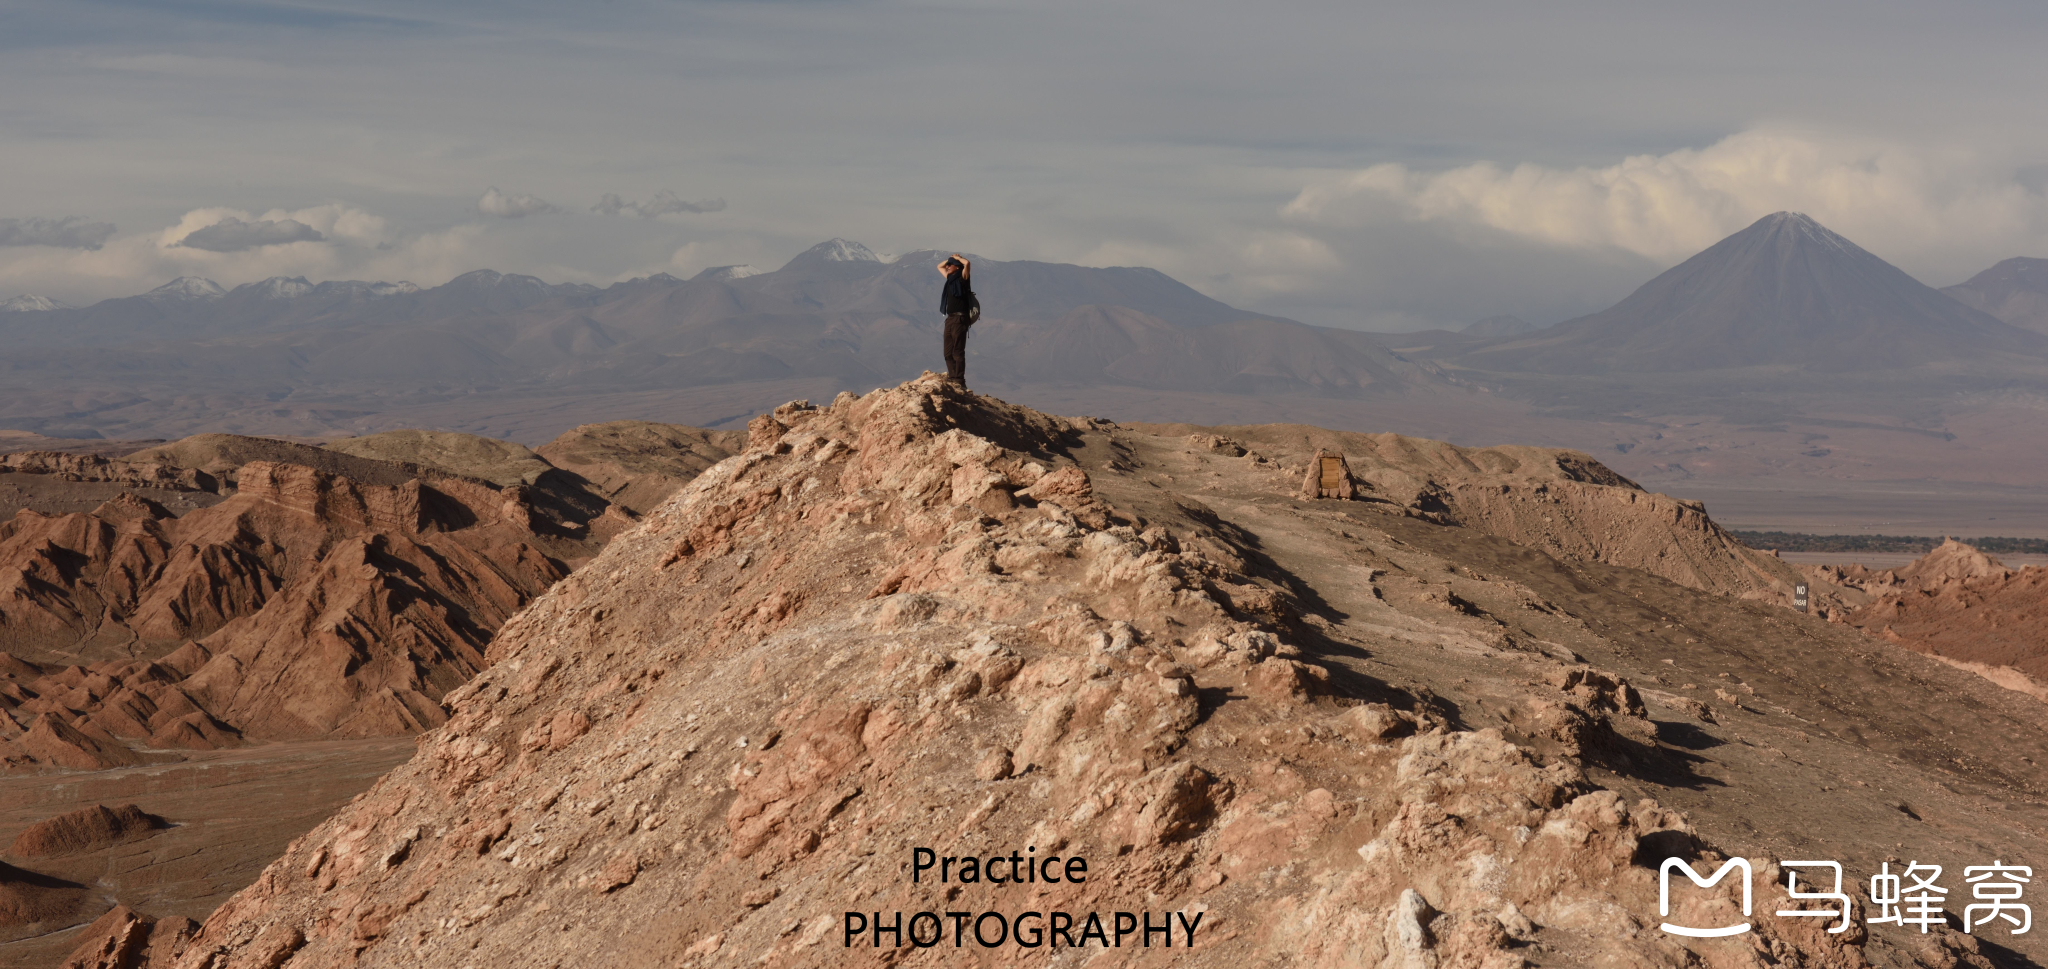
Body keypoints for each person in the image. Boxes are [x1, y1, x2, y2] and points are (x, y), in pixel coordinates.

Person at [938, 254, 977, 387]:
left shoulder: (963, 278)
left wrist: (958, 258)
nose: (947, 267)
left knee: (958, 351)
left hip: (960, 318)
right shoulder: (950, 279)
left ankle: (959, 380)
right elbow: (939, 266)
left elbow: (967, 264)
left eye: (950, 265)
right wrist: (949, 259)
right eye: (947, 265)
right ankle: (952, 376)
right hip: (950, 319)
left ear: (958, 267)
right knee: (947, 352)